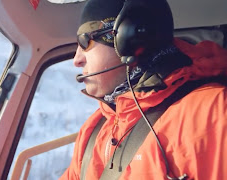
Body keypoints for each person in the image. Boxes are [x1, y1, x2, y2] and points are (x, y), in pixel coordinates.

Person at [60, 0, 227, 179]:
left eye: (85, 41)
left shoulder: (212, 114)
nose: (76, 60)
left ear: (130, 38)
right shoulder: (93, 129)